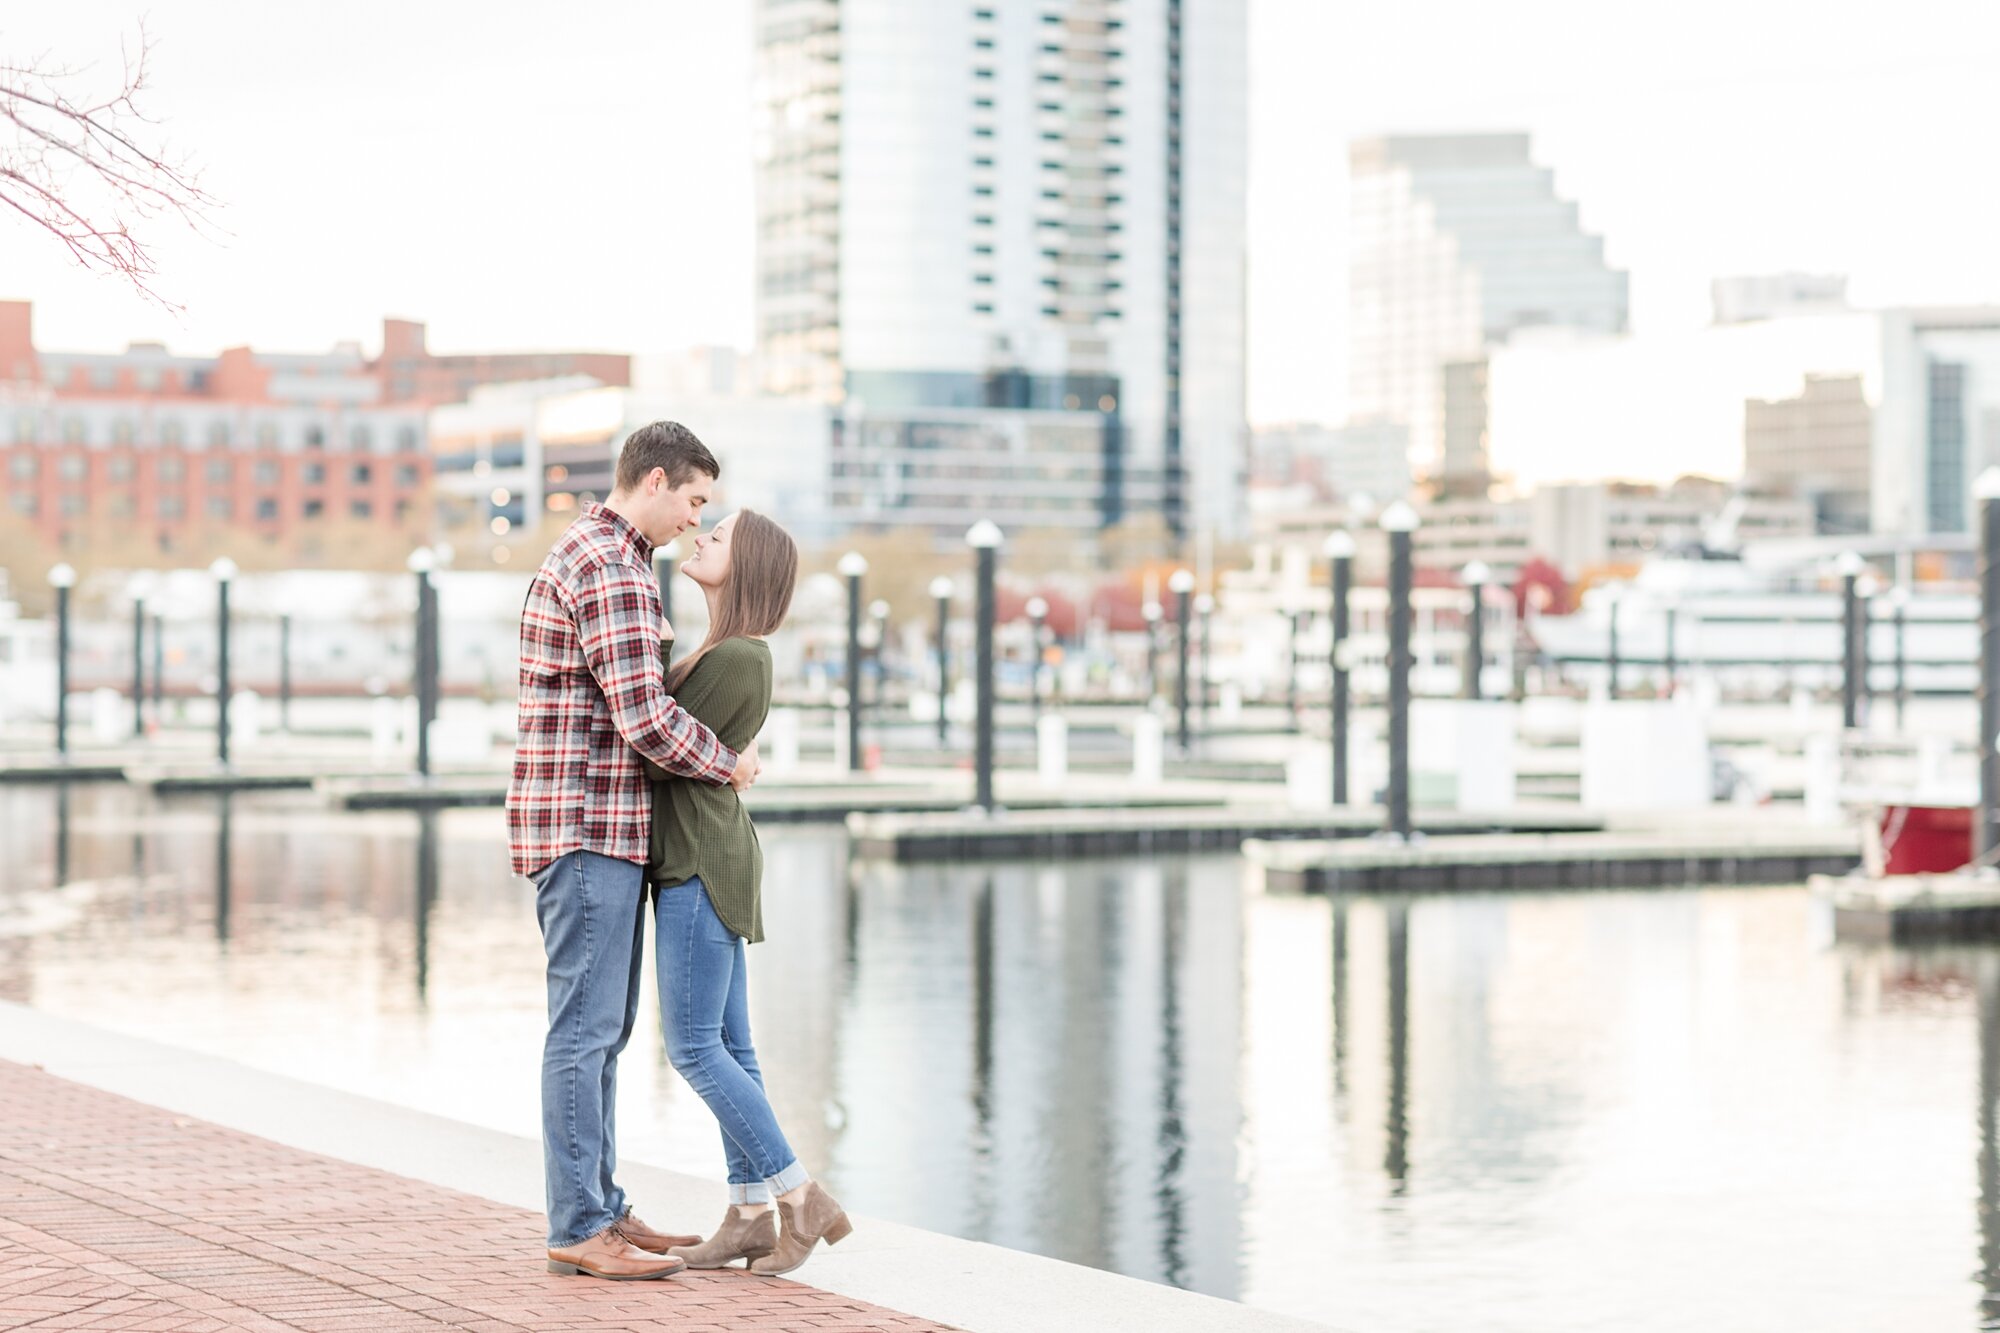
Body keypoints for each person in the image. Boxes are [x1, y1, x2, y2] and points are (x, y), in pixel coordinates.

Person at [507, 421, 761, 1282]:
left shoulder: (601, 555)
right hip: (586, 826)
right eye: (693, 501)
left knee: (600, 1032)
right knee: (585, 1032)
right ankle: (580, 1223)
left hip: (592, 825)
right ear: (653, 481)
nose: (695, 521)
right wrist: (730, 763)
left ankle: (601, 1208)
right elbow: (643, 719)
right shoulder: (611, 566)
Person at [642, 509, 853, 1276]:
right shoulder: (725, 651)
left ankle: (800, 1196)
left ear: (748, 566)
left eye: (716, 537)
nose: (699, 539)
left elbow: (659, 752)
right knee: (731, 1045)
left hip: (699, 860)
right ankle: (748, 1214)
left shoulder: (734, 657)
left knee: (695, 1047)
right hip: (711, 852)